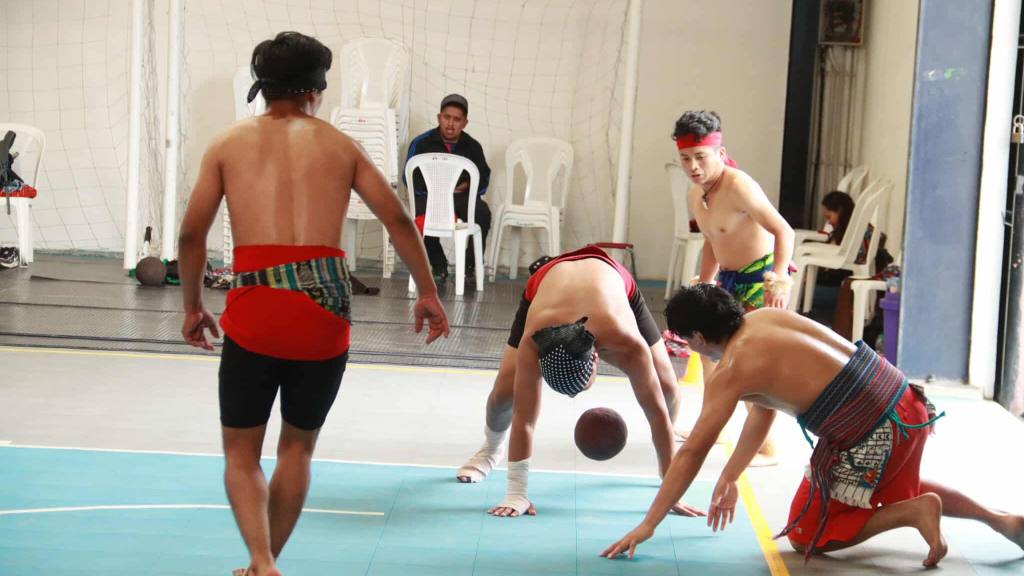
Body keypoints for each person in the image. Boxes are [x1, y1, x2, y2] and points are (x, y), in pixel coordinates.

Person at [176, 32, 450, 576]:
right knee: (297, 450)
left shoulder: (227, 144)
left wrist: (191, 306)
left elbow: (190, 238)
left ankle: (259, 559)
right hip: (325, 311)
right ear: (315, 91)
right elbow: (398, 220)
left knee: (240, 453)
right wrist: (428, 293)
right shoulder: (341, 146)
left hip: (255, 311)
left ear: (264, 88)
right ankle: (268, 562)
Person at [602, 285, 1024, 567]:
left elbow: (692, 451)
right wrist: (730, 476)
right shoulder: (764, 318)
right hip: (908, 408)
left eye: (683, 340)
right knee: (894, 484)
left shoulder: (733, 369)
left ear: (696, 335)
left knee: (807, 533)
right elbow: (763, 410)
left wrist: (649, 522)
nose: (686, 348)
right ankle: (1001, 521)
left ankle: (914, 512)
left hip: (873, 434)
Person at [453, 245, 702, 519]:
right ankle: (490, 449)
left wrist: (671, 491)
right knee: (503, 394)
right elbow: (524, 420)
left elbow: (656, 415)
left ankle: (667, 458)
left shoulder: (628, 343)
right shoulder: (534, 340)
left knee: (666, 387)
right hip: (546, 285)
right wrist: (516, 493)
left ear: (596, 357)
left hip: (613, 280)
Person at [674, 109, 796, 464]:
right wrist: (706, 284)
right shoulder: (695, 196)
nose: (693, 166)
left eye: (700, 157)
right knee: (707, 350)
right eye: (685, 159)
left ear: (720, 154)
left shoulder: (739, 185)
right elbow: (712, 240)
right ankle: (711, 425)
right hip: (727, 281)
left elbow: (782, 231)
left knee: (747, 364)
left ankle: (767, 446)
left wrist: (779, 278)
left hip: (760, 281)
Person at [405, 94, 492, 284]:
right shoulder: (421, 143)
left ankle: (469, 267)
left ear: (465, 123)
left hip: (460, 198)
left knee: (483, 213)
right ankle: (438, 264)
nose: (450, 124)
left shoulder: (473, 146)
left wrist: (468, 186)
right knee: (418, 212)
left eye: (457, 119)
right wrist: (436, 191)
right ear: (439, 117)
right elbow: (408, 176)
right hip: (429, 197)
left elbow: (483, 177)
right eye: (447, 117)